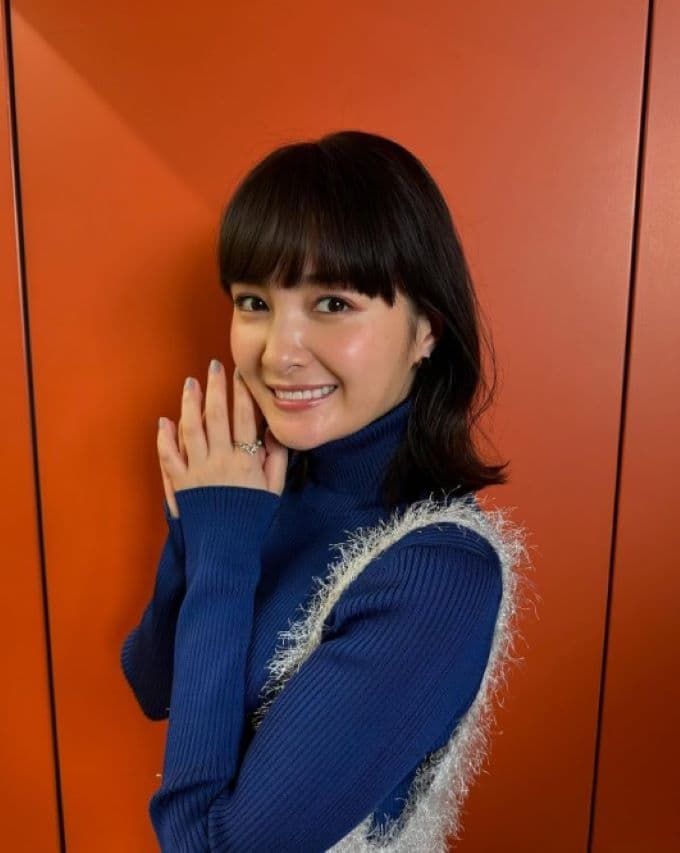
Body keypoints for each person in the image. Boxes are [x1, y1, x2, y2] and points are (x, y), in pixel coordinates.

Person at [120, 130, 532, 851]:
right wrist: (202, 526)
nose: (279, 353)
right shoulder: (260, 479)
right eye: (254, 301)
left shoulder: (438, 572)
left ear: (427, 329)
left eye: (333, 304)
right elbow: (152, 680)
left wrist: (223, 552)